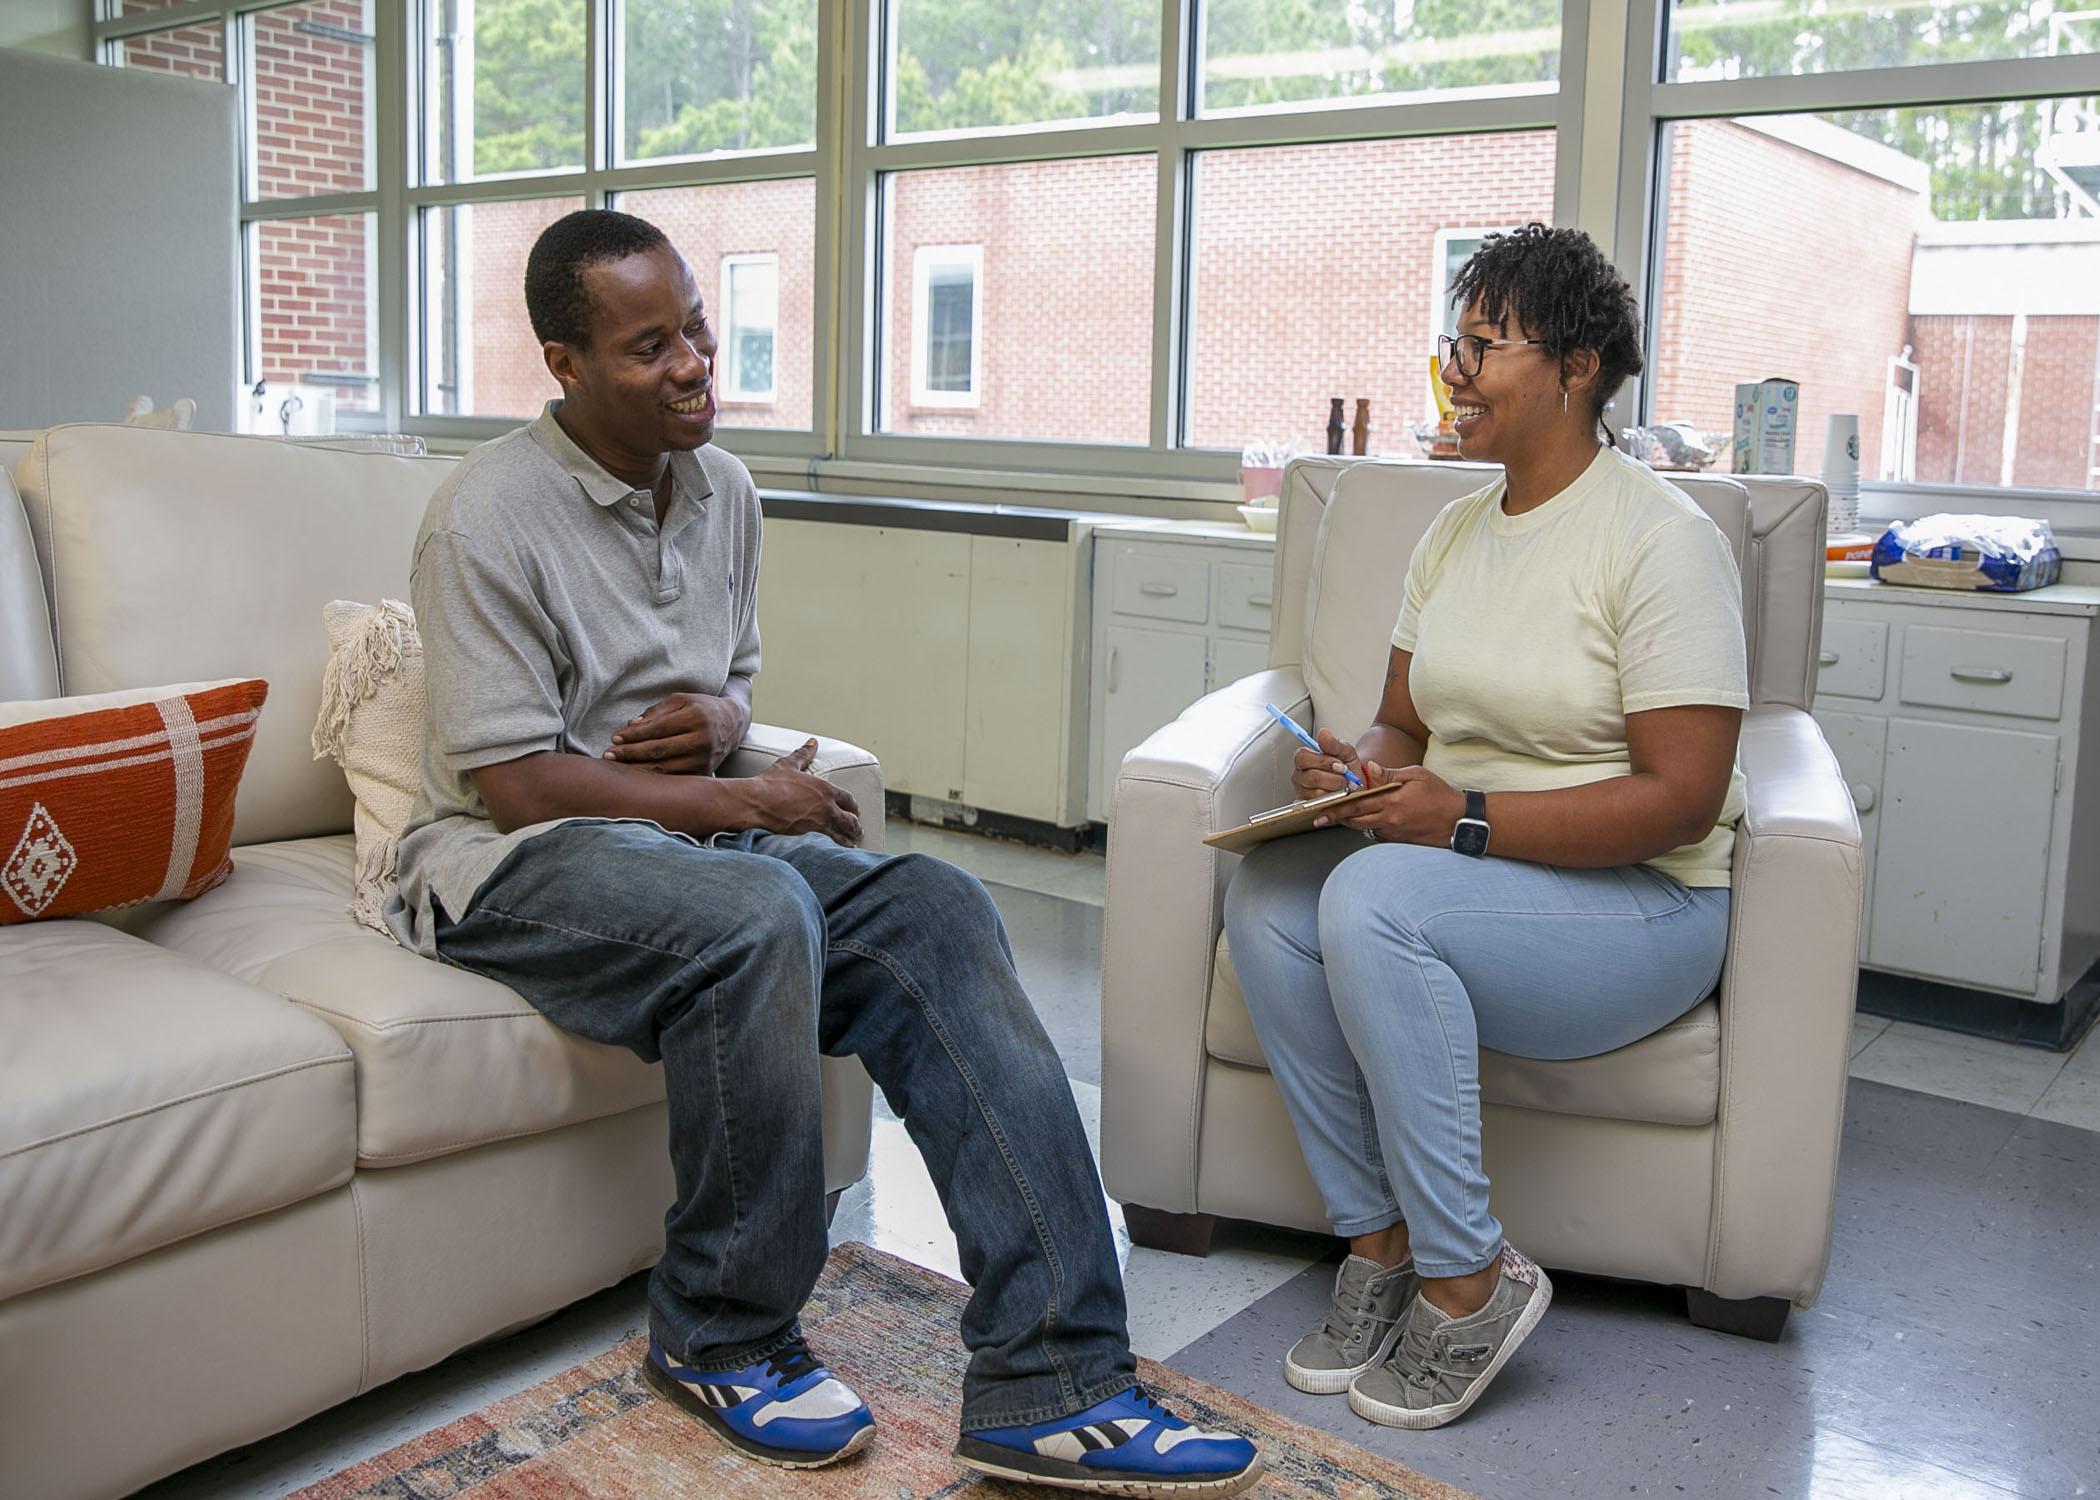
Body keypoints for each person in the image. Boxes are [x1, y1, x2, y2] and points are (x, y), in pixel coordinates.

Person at [383, 209, 1261, 1495]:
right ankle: (719, 1334)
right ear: (564, 364)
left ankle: (1053, 1380)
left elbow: (729, 684)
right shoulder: (483, 519)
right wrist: (748, 810)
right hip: (511, 864)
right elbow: (515, 784)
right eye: (650, 345)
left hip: (667, 847)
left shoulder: (723, 488)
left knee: (938, 908)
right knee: (757, 915)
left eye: (696, 327)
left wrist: (732, 728)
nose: (694, 362)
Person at [1222, 223, 1747, 1431]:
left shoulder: (1663, 543)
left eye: (1484, 345)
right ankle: (1381, 1245)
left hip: (1643, 909)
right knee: (1270, 903)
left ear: (1576, 367)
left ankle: (1471, 1282)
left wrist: (1456, 822)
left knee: (1368, 898)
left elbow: (1683, 797)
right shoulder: (1455, 532)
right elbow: (1402, 726)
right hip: (1469, 876)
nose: (1455, 370)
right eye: (1453, 342)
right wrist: (1355, 772)